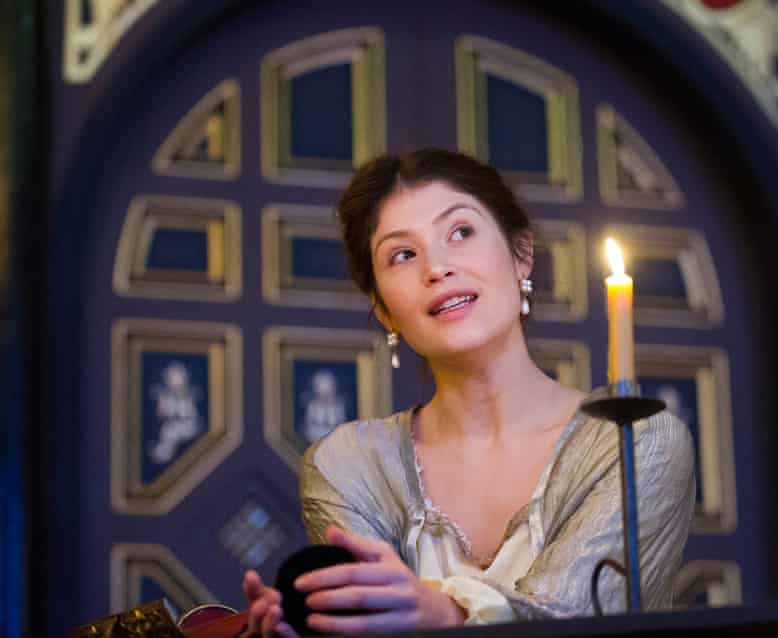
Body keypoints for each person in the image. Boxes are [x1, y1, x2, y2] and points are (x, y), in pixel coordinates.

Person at [242, 148, 696, 636]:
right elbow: (364, 625)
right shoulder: (347, 466)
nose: (436, 268)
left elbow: (571, 619)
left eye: (460, 232)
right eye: (403, 255)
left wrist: (447, 614)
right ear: (383, 309)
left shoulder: (634, 441)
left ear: (521, 255)